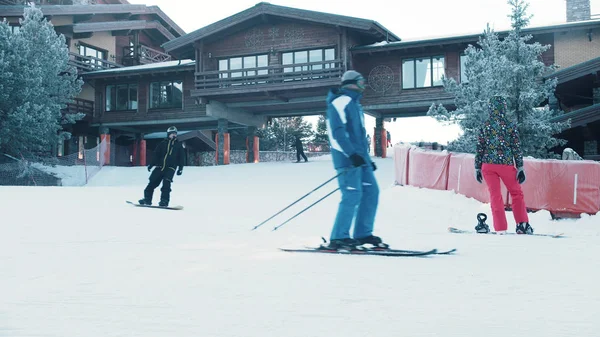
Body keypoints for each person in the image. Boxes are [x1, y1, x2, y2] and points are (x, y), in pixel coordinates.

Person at [324, 70, 383, 250]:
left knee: (371, 192)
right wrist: (351, 154)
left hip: (360, 160)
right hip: (346, 159)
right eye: (361, 81)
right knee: (352, 194)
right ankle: (338, 237)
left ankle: (362, 233)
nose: (364, 84)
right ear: (351, 83)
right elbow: (336, 134)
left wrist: (366, 158)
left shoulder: (355, 105)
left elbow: (357, 137)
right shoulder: (340, 102)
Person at [474, 95, 533, 235]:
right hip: (505, 164)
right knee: (516, 193)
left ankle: (500, 228)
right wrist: (520, 167)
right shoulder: (510, 125)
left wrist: (477, 167)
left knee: (495, 196)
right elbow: (516, 147)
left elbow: (480, 147)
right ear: (504, 108)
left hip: (487, 165)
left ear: (490, 108)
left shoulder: (485, 125)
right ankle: (522, 225)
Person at [139, 126, 185, 207]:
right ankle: (147, 199)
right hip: (160, 167)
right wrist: (151, 165)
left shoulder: (178, 145)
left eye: (175, 134)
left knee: (166, 184)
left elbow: (181, 157)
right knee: (151, 183)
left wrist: (180, 168)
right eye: (172, 134)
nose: (173, 135)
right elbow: (156, 155)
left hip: (171, 168)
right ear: (168, 134)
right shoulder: (162, 144)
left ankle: (164, 201)